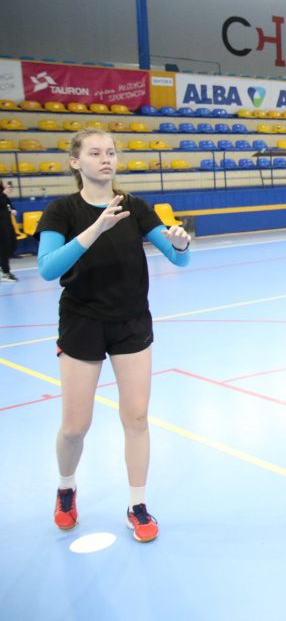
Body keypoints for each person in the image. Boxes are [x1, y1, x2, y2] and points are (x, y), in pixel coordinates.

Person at [38, 128, 192, 543]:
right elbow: (47, 268)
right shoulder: (60, 211)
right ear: (76, 162)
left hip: (131, 323)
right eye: (95, 152)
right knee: (74, 427)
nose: (106, 159)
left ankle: (137, 505)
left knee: (137, 417)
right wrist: (95, 230)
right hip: (82, 322)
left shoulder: (136, 207)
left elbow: (179, 259)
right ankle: (66, 489)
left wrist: (181, 243)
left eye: (110, 152)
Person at [1, 180, 17, 281]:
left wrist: (12, 209)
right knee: (4, 247)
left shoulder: (4, 195)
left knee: (12, 244)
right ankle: (5, 272)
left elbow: (9, 206)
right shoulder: (2, 195)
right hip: (1, 225)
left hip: (7, 224)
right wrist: (3, 194)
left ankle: (3, 269)